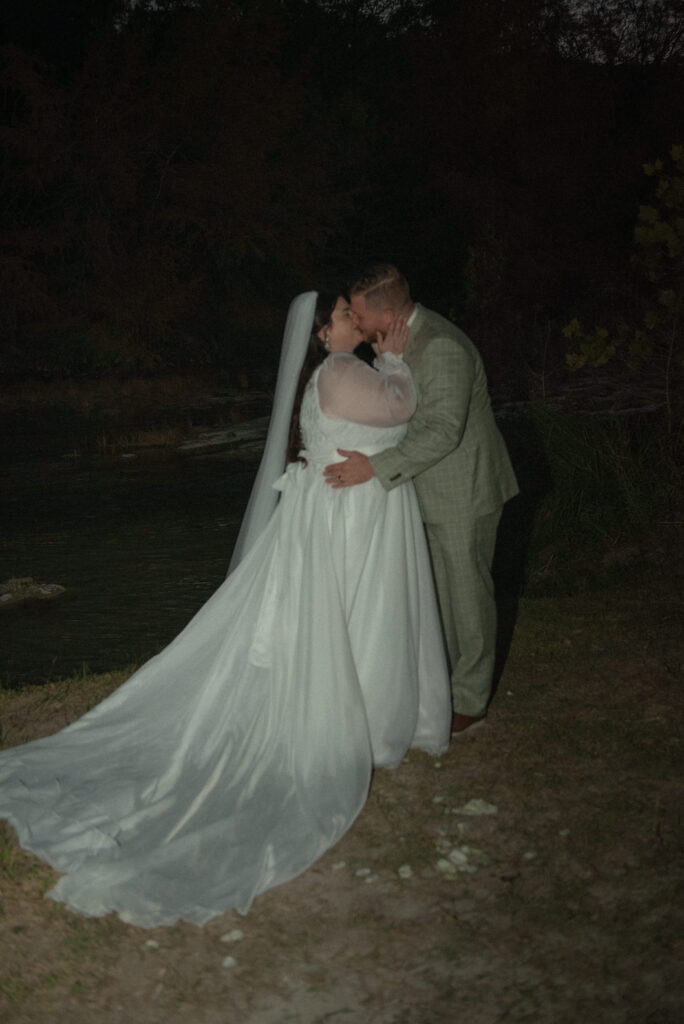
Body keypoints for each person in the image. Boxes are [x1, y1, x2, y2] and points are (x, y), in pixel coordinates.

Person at [0, 291, 451, 929]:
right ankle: (357, 723)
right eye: (347, 314)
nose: (358, 319)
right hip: (347, 520)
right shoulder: (345, 372)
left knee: (344, 620)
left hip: (340, 513)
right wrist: (401, 364)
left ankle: (360, 711)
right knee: (355, 617)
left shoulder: (338, 373)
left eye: (355, 310)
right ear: (324, 333)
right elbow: (400, 414)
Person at [324, 266, 519, 736]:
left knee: (467, 596)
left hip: (463, 490)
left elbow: (442, 431)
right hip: (425, 490)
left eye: (362, 314)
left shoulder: (441, 346)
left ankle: (470, 704)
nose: (359, 323)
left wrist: (374, 466)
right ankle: (446, 689)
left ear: (389, 313)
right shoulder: (395, 343)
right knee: (443, 598)